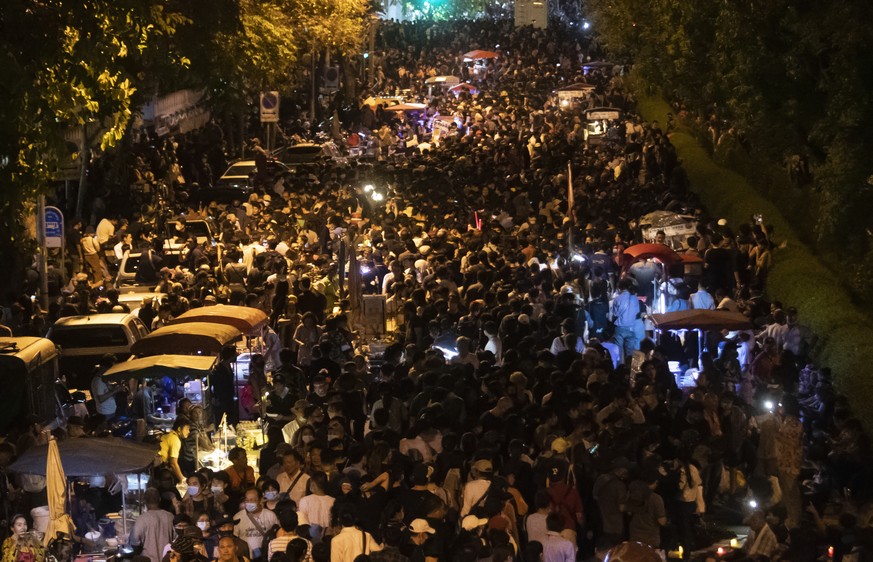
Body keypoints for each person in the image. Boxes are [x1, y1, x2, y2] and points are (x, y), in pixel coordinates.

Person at [129, 487, 175, 562]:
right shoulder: (170, 516)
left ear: (145, 501)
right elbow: (175, 539)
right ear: (159, 499)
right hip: (167, 559)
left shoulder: (142, 519)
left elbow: (134, 541)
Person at [232, 488, 278, 562]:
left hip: (265, 558)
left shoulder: (270, 516)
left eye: (252, 500)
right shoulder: (238, 517)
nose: (249, 503)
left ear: (260, 500)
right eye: (247, 500)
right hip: (245, 558)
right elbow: (235, 539)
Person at [159, 415, 192, 484]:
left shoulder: (170, 435)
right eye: (187, 429)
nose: (189, 431)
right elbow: (173, 463)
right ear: (180, 429)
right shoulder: (175, 439)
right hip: (157, 466)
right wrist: (182, 479)